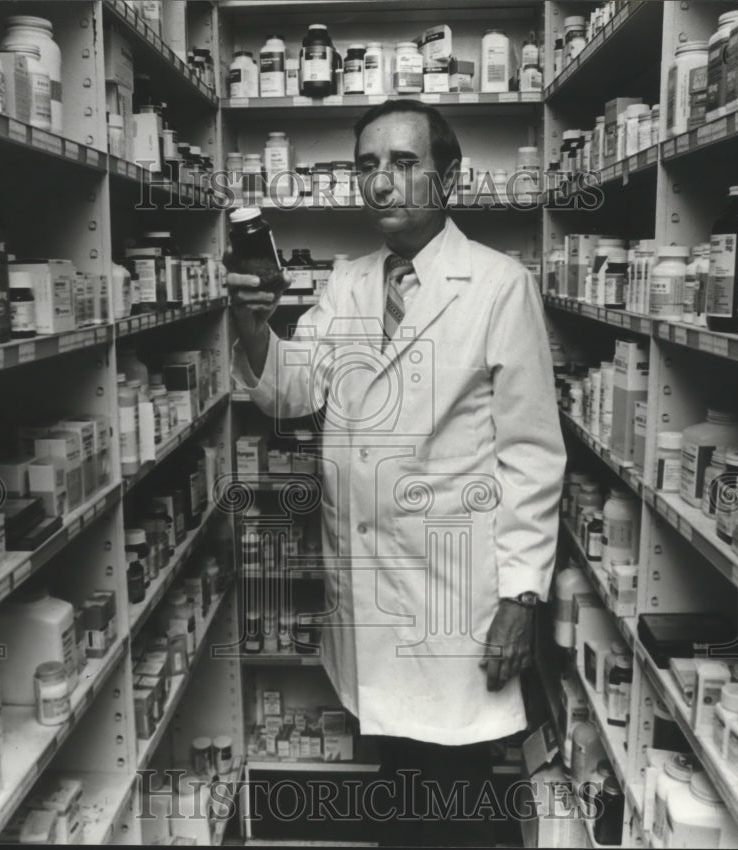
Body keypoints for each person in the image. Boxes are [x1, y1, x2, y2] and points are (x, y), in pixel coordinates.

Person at [227, 100, 565, 845]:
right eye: (368, 166)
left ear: (448, 178)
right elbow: (290, 391)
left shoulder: (498, 284)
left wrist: (522, 595)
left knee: (459, 793)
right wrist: (257, 323)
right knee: (402, 785)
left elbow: (533, 453)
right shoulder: (347, 284)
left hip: (455, 590)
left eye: (404, 164)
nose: (382, 182)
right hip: (372, 585)